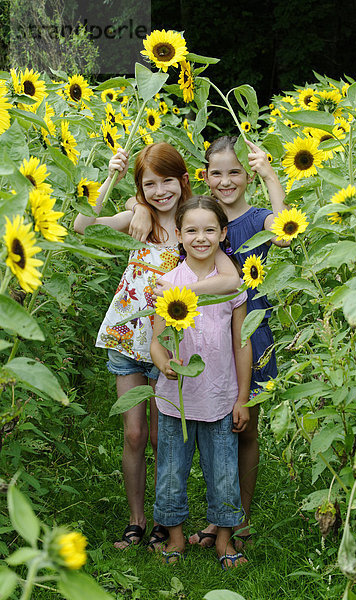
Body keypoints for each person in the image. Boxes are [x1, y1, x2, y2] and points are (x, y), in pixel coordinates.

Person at [74, 143, 241, 551]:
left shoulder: (193, 223)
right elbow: (82, 225)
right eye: (149, 184)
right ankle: (136, 520)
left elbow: (230, 280)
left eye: (168, 180)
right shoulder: (137, 219)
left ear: (184, 180)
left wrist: (179, 289)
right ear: (141, 188)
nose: (160, 190)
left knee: (162, 438)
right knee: (134, 434)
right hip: (127, 337)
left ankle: (168, 520)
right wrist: (112, 178)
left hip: (171, 342)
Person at [127, 136, 290, 550]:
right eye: (217, 172)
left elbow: (283, 232)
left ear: (247, 176)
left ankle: (235, 522)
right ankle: (214, 525)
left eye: (235, 171)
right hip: (197, 340)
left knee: (245, 429)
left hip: (245, 332)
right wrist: (137, 206)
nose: (225, 179)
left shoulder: (253, 220)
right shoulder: (197, 221)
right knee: (208, 443)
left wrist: (271, 175)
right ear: (203, 177)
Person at [150, 195, 252, 568]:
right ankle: (175, 537)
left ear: (223, 233)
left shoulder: (229, 287)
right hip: (175, 398)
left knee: (224, 472)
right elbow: (156, 341)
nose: (201, 238)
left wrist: (242, 397)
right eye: (191, 230)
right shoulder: (167, 284)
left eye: (210, 229)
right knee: (171, 472)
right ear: (178, 235)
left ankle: (224, 540)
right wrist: (164, 364)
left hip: (221, 395)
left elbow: (242, 343)